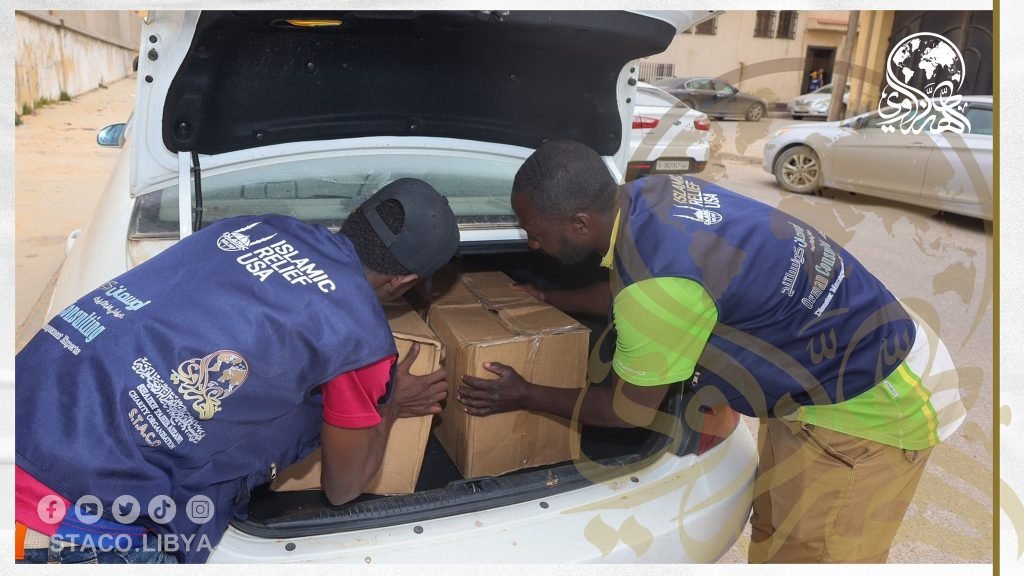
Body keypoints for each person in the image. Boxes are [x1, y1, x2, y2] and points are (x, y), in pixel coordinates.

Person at [457, 140, 967, 563]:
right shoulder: (651, 195)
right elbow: (644, 289)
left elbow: (628, 411)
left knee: (815, 556)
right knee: (776, 537)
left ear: (580, 224)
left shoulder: (657, 285)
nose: (531, 244)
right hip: (823, 375)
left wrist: (524, 393)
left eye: (535, 233)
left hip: (874, 405)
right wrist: (551, 298)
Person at [15, 178, 460, 563]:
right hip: (71, 525)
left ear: (356, 215)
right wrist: (389, 406)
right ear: (403, 282)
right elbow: (343, 487)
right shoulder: (360, 339)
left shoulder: (250, 227)